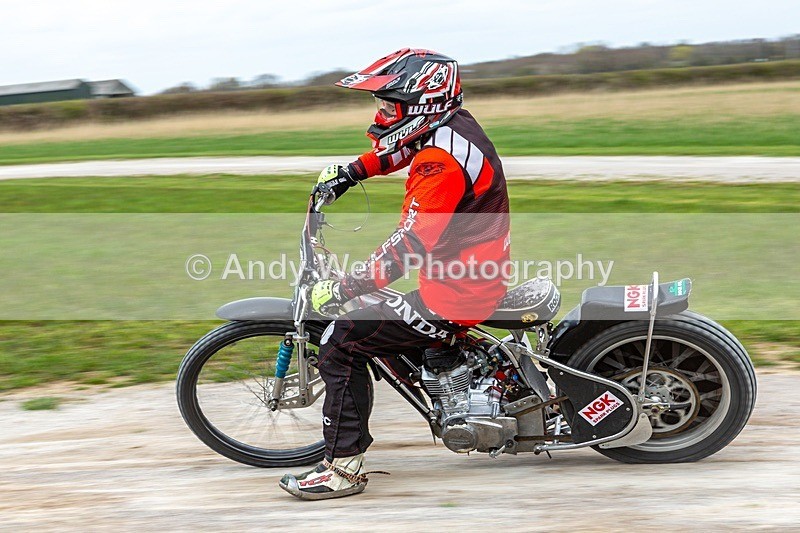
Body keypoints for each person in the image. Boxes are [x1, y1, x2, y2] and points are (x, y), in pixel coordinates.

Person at [279, 48, 511, 500]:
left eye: (389, 106)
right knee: (369, 317)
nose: (381, 115)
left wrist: (345, 287)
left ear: (421, 104)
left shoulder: (440, 165)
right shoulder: (451, 127)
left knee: (342, 339)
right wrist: (353, 172)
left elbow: (409, 245)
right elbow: (402, 146)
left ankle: (342, 470)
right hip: (469, 272)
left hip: (457, 292)